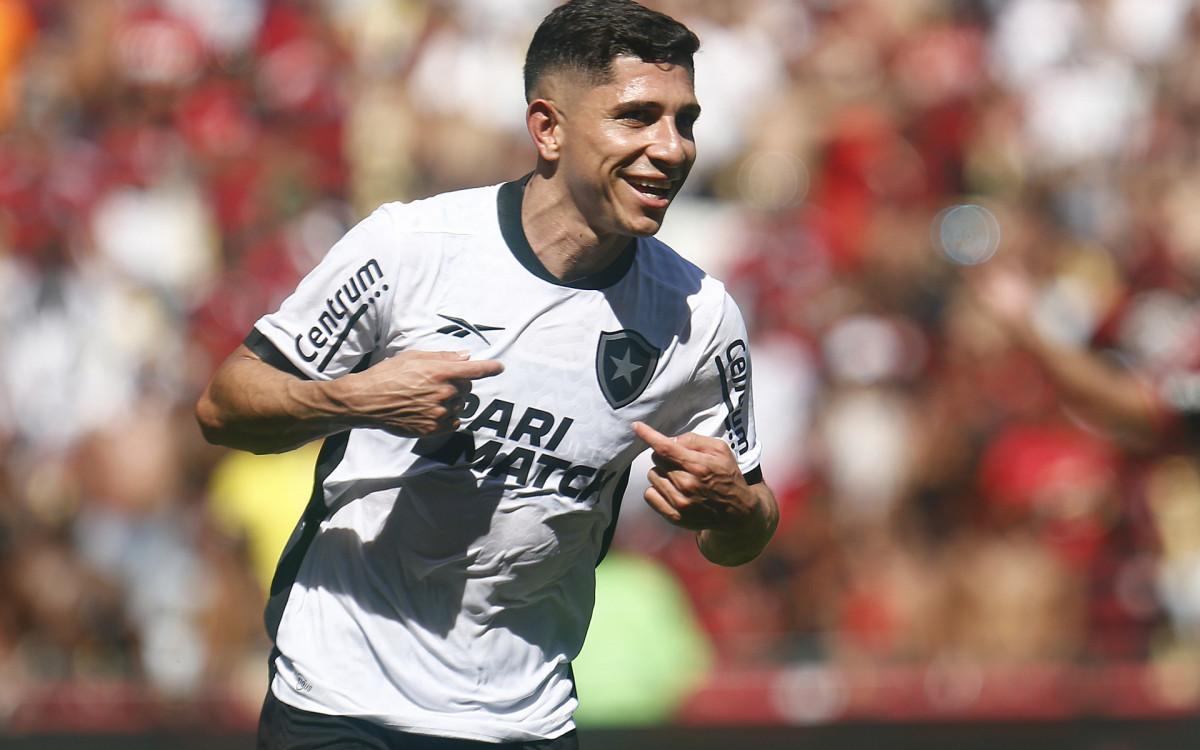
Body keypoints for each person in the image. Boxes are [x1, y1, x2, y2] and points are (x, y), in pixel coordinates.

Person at [194, 0, 779, 747]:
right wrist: (354, 399)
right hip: (341, 699)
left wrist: (731, 508)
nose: (672, 148)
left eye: (685, 120)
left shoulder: (700, 316)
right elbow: (223, 408)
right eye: (637, 118)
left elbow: (747, 529)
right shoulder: (412, 248)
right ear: (548, 128)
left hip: (524, 719)